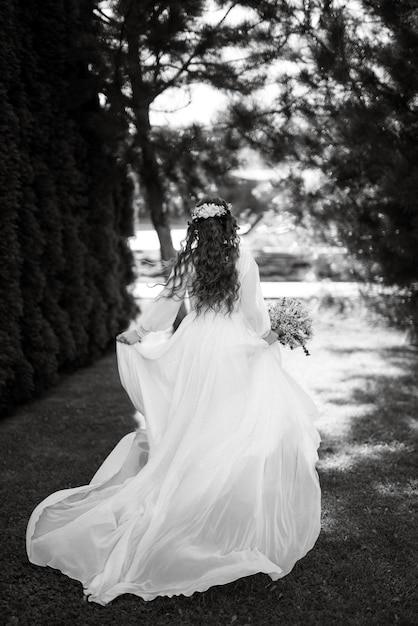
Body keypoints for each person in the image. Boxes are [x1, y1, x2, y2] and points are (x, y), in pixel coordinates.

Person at [26, 196, 321, 605]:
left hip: (195, 347)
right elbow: (254, 316)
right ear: (230, 226)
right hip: (233, 348)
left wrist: (139, 333)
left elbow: (165, 308)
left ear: (197, 229)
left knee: (195, 421)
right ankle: (214, 501)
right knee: (229, 424)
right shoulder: (243, 263)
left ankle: (193, 492)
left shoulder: (188, 262)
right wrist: (269, 338)